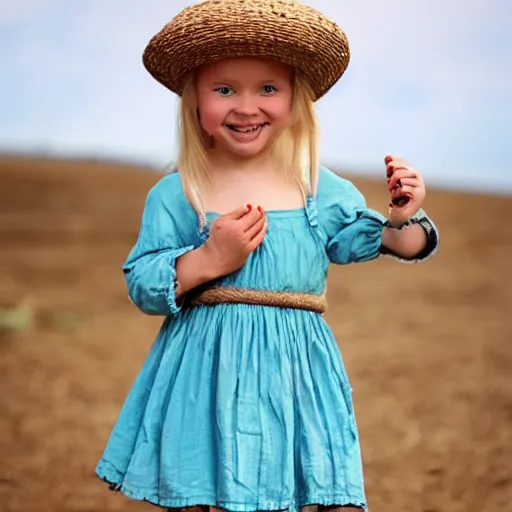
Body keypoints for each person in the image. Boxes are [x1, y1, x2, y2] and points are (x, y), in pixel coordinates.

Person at [95, 1, 439, 511]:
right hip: (204, 376)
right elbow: (144, 284)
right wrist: (211, 256)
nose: (246, 106)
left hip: (296, 375)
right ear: (195, 100)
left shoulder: (315, 188)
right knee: (204, 493)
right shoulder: (177, 192)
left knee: (308, 494)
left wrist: (401, 216)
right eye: (225, 88)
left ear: (296, 100)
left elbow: (398, 244)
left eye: (268, 89)